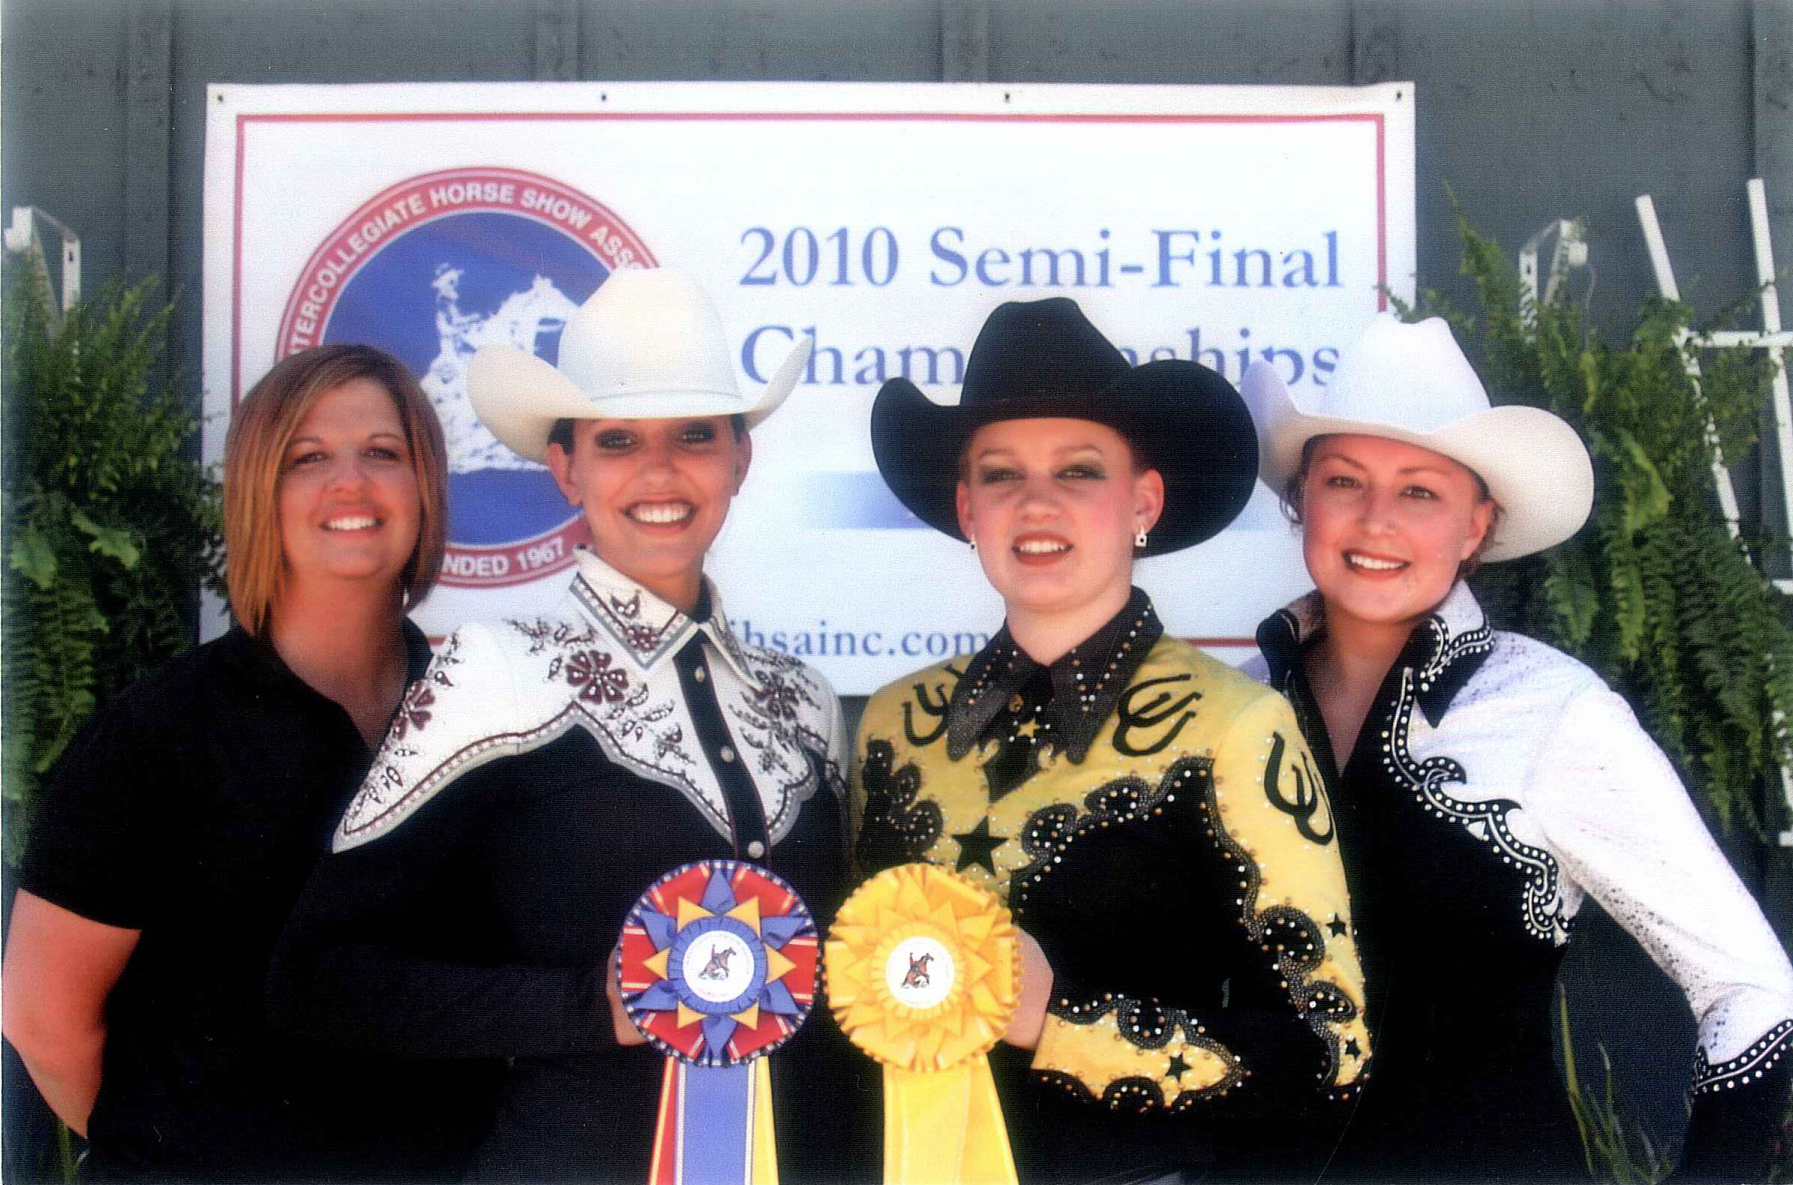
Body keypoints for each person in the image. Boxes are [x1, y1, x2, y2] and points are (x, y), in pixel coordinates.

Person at [269, 268, 871, 1182]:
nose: (661, 471)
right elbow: (322, 979)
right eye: (620, 440)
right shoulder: (495, 672)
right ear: (566, 467)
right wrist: (596, 1006)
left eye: (696, 436)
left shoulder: (805, 703)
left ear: (739, 459)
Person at [1241, 313, 1793, 1181]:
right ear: (1301, 500)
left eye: (1419, 491)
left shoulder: (1549, 711)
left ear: (1477, 526)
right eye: (1344, 480)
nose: (1376, 519)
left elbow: (1753, 988)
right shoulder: (1241, 705)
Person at [853, 296, 1373, 1184]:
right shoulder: (895, 723)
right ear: (965, 505)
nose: (1036, 502)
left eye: (1078, 470)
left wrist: (1058, 1023)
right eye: (1002, 473)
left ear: (1144, 499)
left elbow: (1330, 1044)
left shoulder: (1234, 724)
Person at [0, 344, 488, 1180]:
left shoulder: (484, 719)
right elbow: (42, 1014)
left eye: (383, 452)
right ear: (258, 490)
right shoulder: (159, 734)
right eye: (307, 457)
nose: (350, 482)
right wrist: (181, 1148)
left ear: (426, 487)